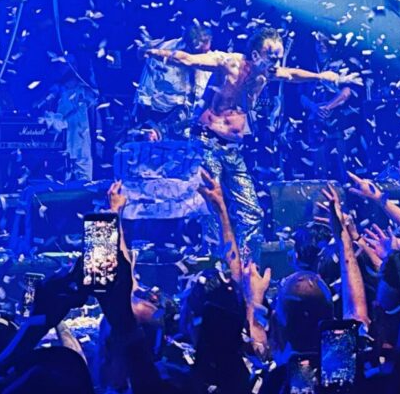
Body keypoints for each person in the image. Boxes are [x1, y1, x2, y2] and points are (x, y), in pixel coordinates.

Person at [147, 26, 361, 249]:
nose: (276, 64)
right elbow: (188, 60)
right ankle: (213, 266)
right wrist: (155, 52)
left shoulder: (267, 73)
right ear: (257, 55)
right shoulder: (228, 63)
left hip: (232, 149)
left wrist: (323, 77)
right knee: (213, 206)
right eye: (272, 58)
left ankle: (245, 269)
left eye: (278, 59)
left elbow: (293, 74)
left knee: (252, 212)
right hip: (206, 142)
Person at [134, 22, 216, 139]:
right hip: (159, 121)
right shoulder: (161, 53)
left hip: (193, 127)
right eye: (197, 52)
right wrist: (149, 126)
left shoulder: (213, 60)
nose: (199, 58)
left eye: (204, 51)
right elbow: (144, 94)